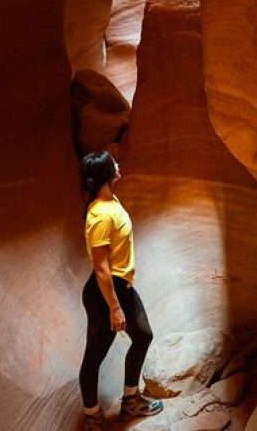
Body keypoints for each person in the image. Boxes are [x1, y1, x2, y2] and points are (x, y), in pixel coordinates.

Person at [78, 150, 163, 430]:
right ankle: (92, 415)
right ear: (105, 174)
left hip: (121, 286)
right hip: (106, 292)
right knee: (95, 356)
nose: (118, 163)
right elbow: (101, 267)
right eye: (113, 162)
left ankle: (130, 400)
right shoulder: (100, 216)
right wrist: (114, 307)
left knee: (143, 335)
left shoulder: (108, 200)